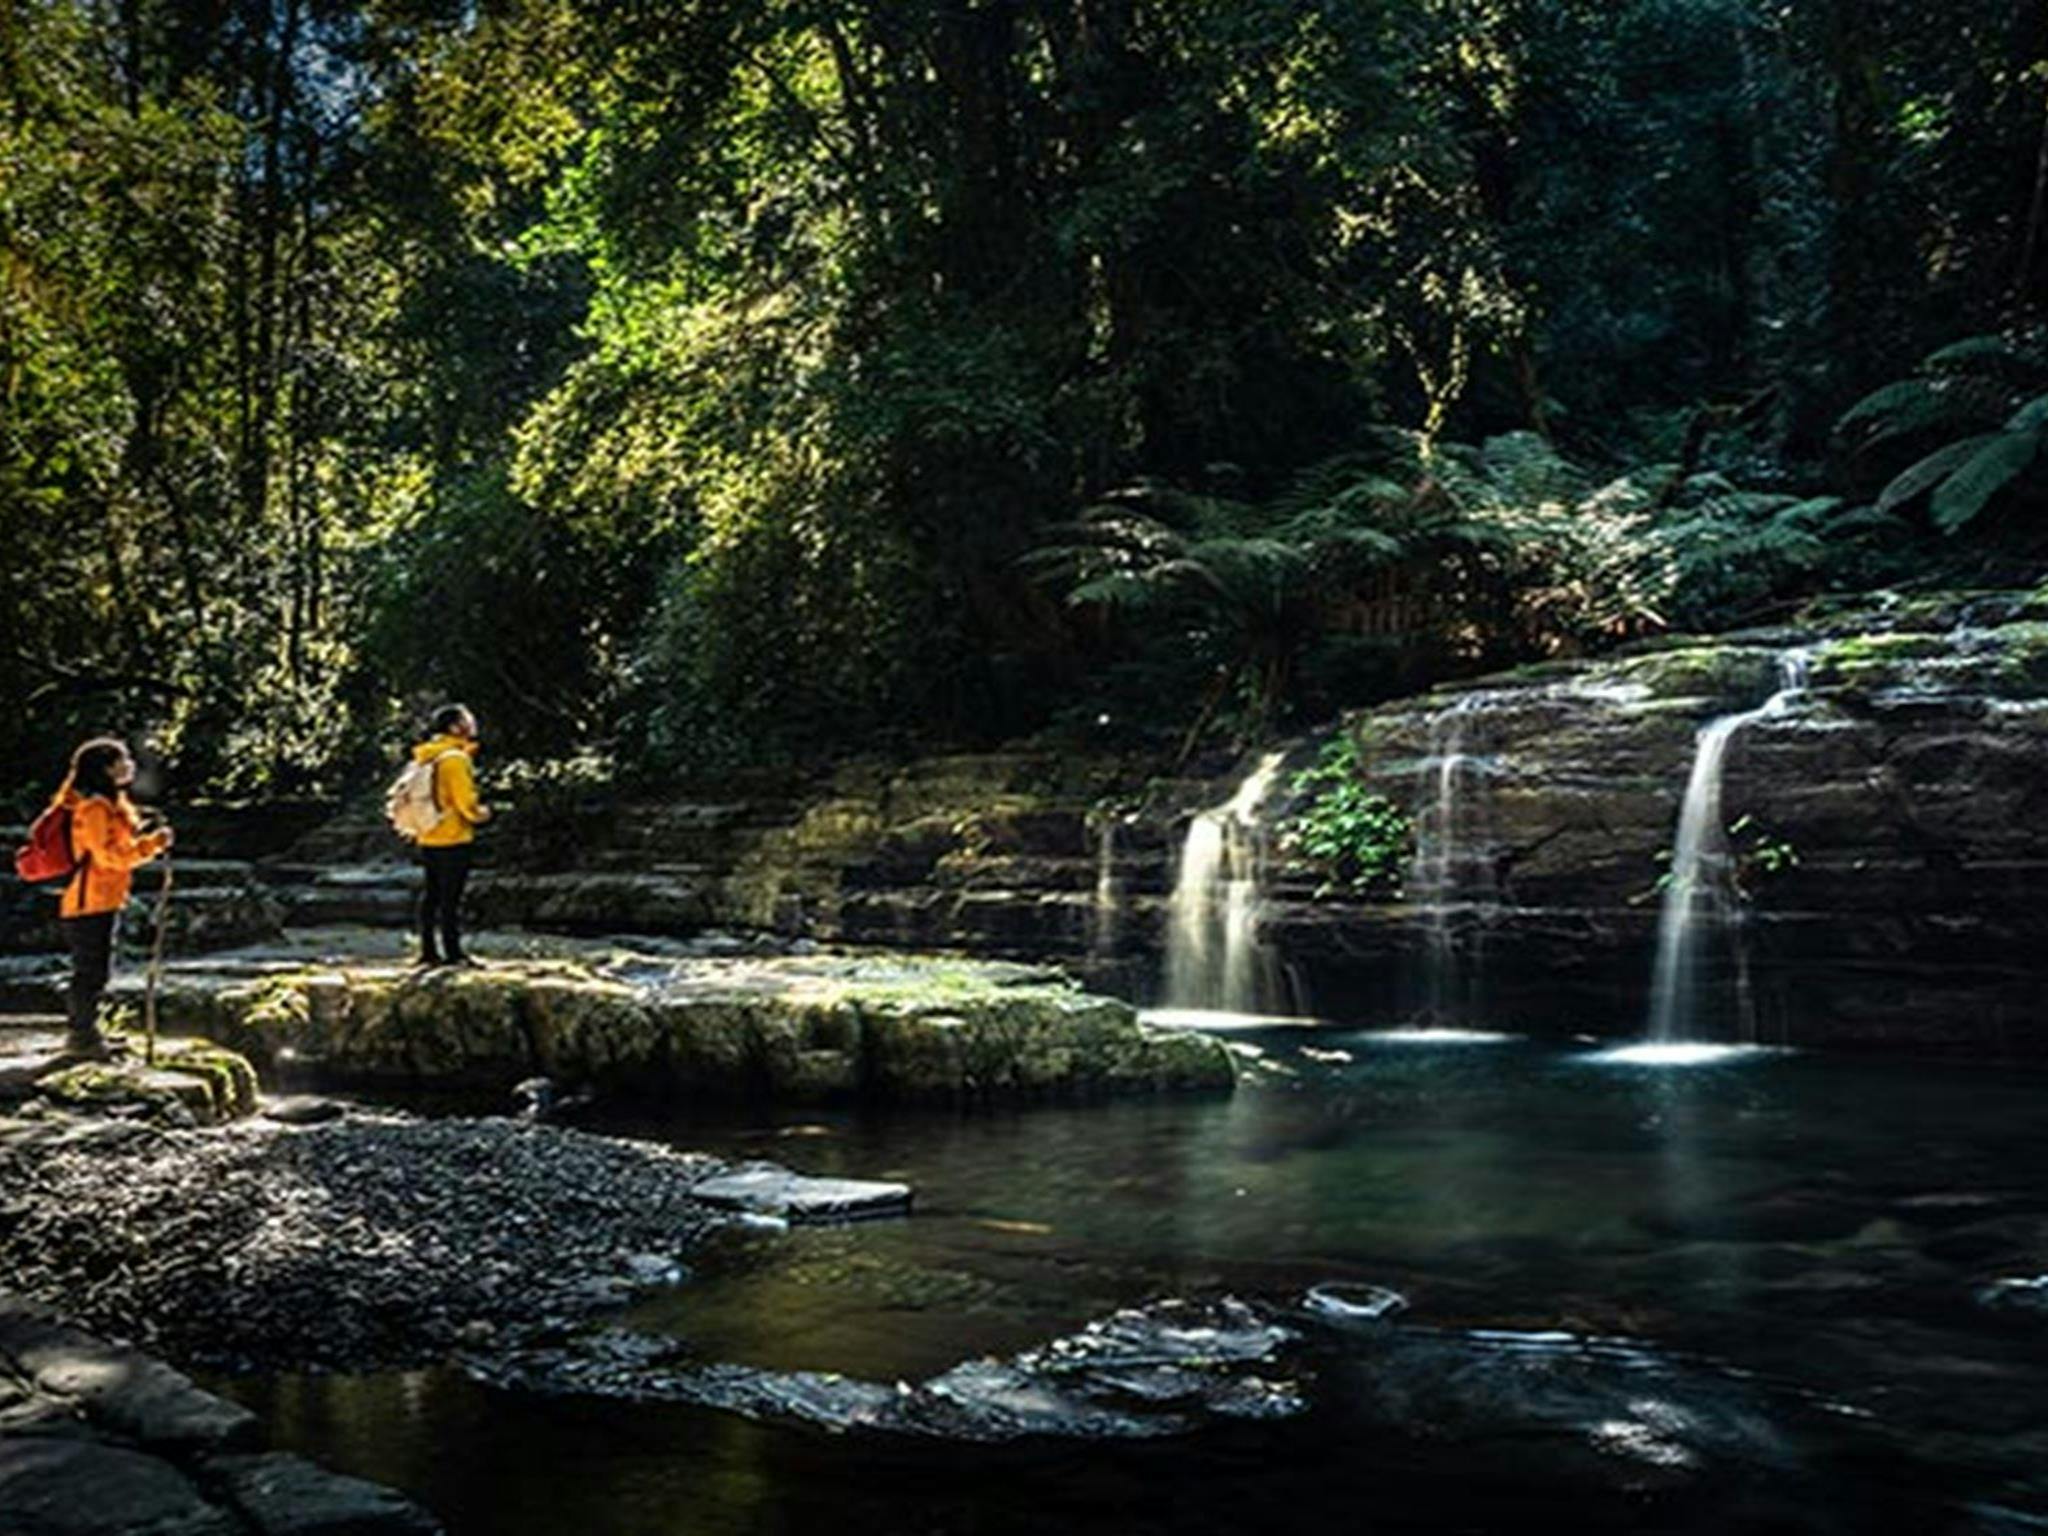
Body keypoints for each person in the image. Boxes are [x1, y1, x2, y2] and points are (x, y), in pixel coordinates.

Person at [52, 738, 173, 1059]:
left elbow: (116, 841)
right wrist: (152, 845)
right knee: (89, 972)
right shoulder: (93, 808)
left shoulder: (111, 804)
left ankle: (89, 1032)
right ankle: (81, 1038)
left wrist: (147, 833)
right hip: (87, 901)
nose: (130, 765)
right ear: (106, 769)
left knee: (95, 970)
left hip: (103, 898)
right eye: (123, 760)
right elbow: (109, 857)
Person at [412, 704, 491, 967]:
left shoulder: (427, 755)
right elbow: (464, 803)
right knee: (451, 898)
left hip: (428, 833)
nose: (473, 724)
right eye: (468, 720)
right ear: (455, 727)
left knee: (431, 895)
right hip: (453, 836)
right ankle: (454, 953)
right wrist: (482, 814)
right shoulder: (455, 759)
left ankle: (427, 951)